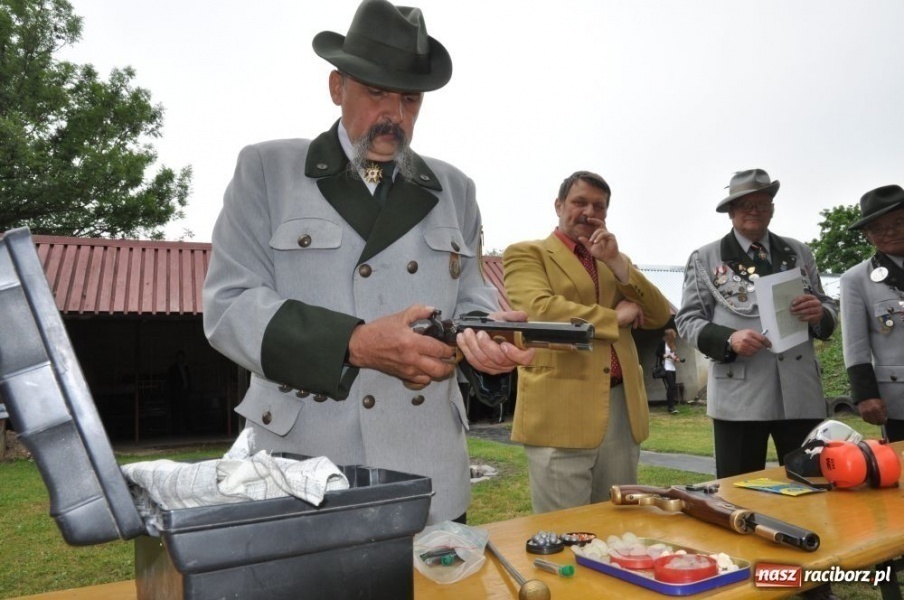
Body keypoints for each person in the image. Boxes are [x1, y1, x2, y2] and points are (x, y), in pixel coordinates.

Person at [201, 0, 534, 525]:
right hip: (303, 465)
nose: (394, 117)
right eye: (376, 93)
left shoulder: (455, 190)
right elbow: (228, 307)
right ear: (337, 88)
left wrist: (485, 341)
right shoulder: (268, 170)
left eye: (409, 99)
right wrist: (354, 344)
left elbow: (470, 298)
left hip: (427, 467)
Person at [502, 171, 671, 513]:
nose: (588, 212)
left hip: (621, 412)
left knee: (619, 524)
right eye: (579, 202)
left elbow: (657, 314)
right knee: (565, 532)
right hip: (558, 412)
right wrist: (616, 318)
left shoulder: (614, 260)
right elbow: (540, 311)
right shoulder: (526, 254)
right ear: (559, 205)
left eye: (599, 206)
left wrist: (617, 263)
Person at [676, 169, 838, 479]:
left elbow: (827, 305)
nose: (754, 210)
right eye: (745, 204)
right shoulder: (706, 257)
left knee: (810, 486)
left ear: (772, 208)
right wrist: (728, 339)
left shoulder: (799, 251)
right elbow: (687, 320)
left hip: (800, 392)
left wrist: (821, 313)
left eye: (762, 203)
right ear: (731, 212)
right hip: (740, 396)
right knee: (738, 492)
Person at [840, 185, 904, 442]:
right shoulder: (856, 279)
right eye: (877, 228)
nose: (889, 232)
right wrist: (866, 395)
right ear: (867, 235)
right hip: (899, 400)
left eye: (898, 222)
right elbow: (855, 345)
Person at [657, 328, 681, 414]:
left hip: (672, 368)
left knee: (672, 387)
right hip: (666, 367)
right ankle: (671, 407)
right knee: (671, 386)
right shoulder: (662, 343)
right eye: (674, 333)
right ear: (670, 335)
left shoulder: (671, 344)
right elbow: (658, 353)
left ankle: (671, 405)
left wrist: (677, 358)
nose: (675, 335)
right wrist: (670, 357)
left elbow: (673, 355)